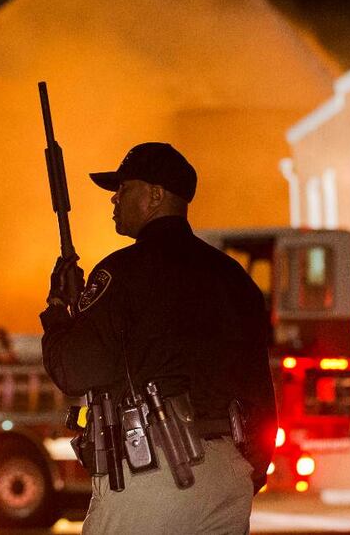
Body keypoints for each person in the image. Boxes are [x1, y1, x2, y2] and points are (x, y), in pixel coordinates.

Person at [40, 142, 277, 534]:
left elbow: (75, 371)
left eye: (124, 188)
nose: (114, 199)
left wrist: (59, 311)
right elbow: (260, 386)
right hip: (229, 477)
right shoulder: (235, 278)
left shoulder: (121, 272)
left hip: (155, 471)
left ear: (155, 196)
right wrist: (253, 468)